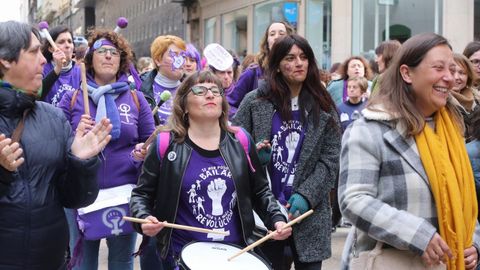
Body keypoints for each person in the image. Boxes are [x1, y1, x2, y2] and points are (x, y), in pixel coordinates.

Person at [339, 33, 480, 270]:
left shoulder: (452, 129)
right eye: (438, 68)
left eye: (453, 69)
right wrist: (416, 234)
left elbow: (465, 197)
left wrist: (474, 243)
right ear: (406, 73)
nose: (449, 77)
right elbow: (354, 200)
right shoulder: (370, 129)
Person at [129, 70, 292, 270]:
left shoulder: (240, 140)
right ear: (184, 105)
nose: (210, 94)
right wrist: (144, 219)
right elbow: (141, 195)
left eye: (216, 91)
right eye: (200, 90)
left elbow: (260, 191)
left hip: (235, 255)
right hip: (182, 255)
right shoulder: (165, 143)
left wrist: (277, 218)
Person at [0, 20, 112, 269]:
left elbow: (74, 198)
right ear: (5, 60)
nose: (43, 60)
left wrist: (80, 162)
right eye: (33, 51)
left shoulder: (53, 117)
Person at [233, 34, 341, 270]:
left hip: (309, 214)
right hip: (264, 213)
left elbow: (331, 159)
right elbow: (232, 147)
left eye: (303, 57)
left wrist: (307, 194)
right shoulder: (254, 101)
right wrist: (254, 158)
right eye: (290, 58)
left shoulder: (324, 104)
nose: (299, 63)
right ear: (278, 66)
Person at [58, 29, 155, 270]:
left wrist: (142, 152)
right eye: (102, 51)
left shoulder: (136, 98)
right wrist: (74, 137)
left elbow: (150, 141)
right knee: (82, 262)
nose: (109, 56)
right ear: (90, 59)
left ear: (122, 61)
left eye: (114, 52)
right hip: (81, 194)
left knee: (122, 262)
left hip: (123, 194)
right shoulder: (71, 98)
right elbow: (57, 145)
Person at [229, 21, 294, 110]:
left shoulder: (297, 71)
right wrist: (246, 121)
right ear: (267, 42)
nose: (276, 37)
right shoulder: (253, 72)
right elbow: (230, 104)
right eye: (272, 34)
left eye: (281, 33)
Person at [140, 35, 186, 126]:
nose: (180, 60)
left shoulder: (193, 88)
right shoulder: (139, 87)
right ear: (158, 60)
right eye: (173, 55)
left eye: (182, 55)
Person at [41, 25, 81, 106]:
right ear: (51, 48)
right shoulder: (42, 70)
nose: (67, 45)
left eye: (70, 41)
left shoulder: (80, 72)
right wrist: (58, 69)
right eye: (61, 42)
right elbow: (38, 95)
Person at [450, 53, 480, 142]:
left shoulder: (476, 99)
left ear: (468, 77)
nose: (456, 77)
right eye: (452, 72)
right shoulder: (441, 102)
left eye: (462, 73)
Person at [209, 48, 240, 119]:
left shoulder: (239, 93)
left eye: (229, 72)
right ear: (214, 73)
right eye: (222, 72)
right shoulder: (207, 93)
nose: (226, 77)